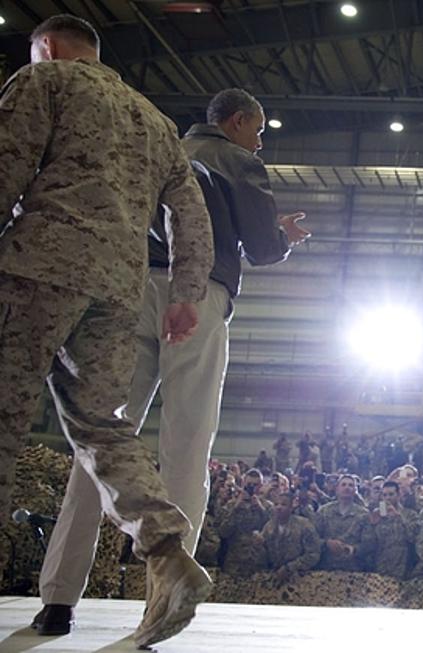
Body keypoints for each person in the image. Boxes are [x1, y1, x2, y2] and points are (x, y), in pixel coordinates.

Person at [35, 86, 310, 631]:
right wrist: (283, 238)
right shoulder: (237, 161)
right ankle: (163, 600)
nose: (259, 143)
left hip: (127, 291)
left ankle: (58, 599)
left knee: (104, 442)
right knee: (185, 443)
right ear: (236, 123)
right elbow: (259, 246)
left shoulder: (159, 145)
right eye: (257, 131)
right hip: (198, 293)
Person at [0, 14, 215, 647]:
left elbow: (6, 163)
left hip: (36, 267)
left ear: (50, 47)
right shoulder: (154, 120)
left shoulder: (47, 81)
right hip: (118, 293)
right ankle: (169, 554)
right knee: (101, 425)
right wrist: (185, 294)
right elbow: (190, 214)